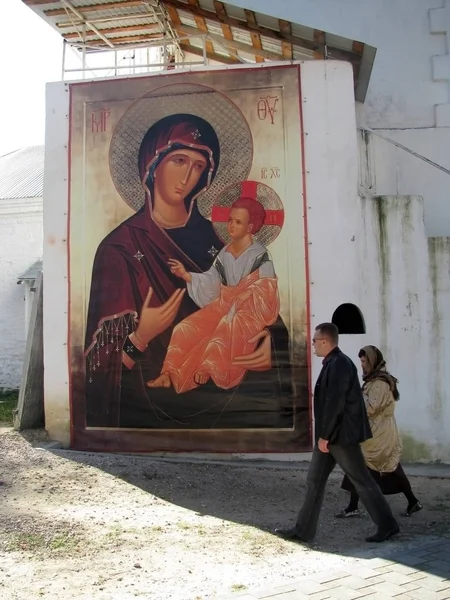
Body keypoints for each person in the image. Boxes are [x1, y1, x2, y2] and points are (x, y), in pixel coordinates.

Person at [84, 113, 293, 430]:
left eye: (198, 166)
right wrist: (139, 338)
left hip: (234, 394)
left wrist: (270, 346)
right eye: (179, 160)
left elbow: (263, 306)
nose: (188, 176)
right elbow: (97, 369)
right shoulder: (120, 249)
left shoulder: (221, 240)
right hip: (150, 410)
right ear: (151, 166)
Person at [275, 323, 400, 543]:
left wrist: (325, 436)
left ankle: (388, 525)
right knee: (314, 480)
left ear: (324, 341)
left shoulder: (340, 364)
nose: (312, 344)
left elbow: (335, 403)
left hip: (340, 438)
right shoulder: (333, 363)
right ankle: (302, 531)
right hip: (331, 438)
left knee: (361, 480)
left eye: (314, 340)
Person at [147, 196, 279, 393]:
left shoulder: (260, 254)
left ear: (251, 227)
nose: (231, 226)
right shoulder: (225, 251)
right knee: (185, 328)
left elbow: (268, 286)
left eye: (238, 222)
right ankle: (170, 373)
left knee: (225, 326)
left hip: (248, 310)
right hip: (223, 303)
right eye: (230, 220)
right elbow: (212, 279)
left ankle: (208, 369)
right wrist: (187, 275)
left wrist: (248, 293)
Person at [336, 345, 422, 519]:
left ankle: (412, 502)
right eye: (360, 361)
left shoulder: (380, 383)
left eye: (364, 361)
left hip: (379, 435)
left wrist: (352, 400)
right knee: (363, 467)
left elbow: (370, 408)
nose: (362, 365)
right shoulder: (374, 380)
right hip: (373, 433)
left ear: (372, 361)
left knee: (385, 468)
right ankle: (354, 506)